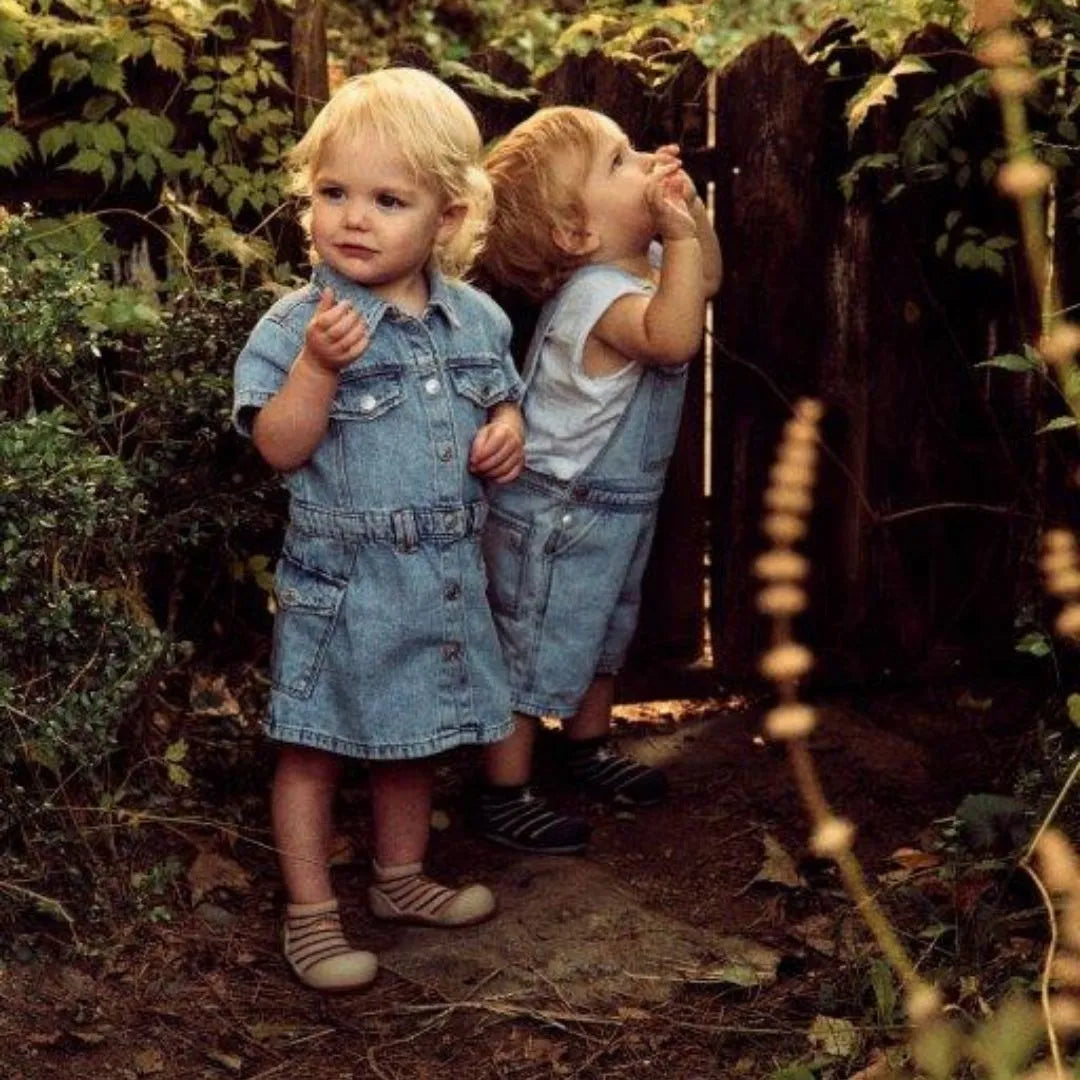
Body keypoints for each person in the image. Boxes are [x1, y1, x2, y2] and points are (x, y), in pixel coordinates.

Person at [232, 68, 526, 991]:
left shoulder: (475, 318)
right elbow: (278, 446)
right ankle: (313, 915)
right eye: (333, 193)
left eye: (388, 199)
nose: (353, 218)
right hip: (343, 580)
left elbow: (502, 400)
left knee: (417, 740)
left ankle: (400, 881)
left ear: (445, 217)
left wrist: (508, 432)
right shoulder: (298, 324)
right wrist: (318, 370)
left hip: (440, 576)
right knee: (315, 746)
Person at [470, 106, 722, 855]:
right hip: (556, 514)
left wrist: (688, 216)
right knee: (532, 645)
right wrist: (676, 234)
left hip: (607, 512)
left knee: (602, 632)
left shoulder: (637, 267)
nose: (645, 161)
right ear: (575, 235)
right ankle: (502, 790)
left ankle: (586, 747)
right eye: (621, 161)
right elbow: (675, 336)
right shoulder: (598, 300)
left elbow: (704, 278)